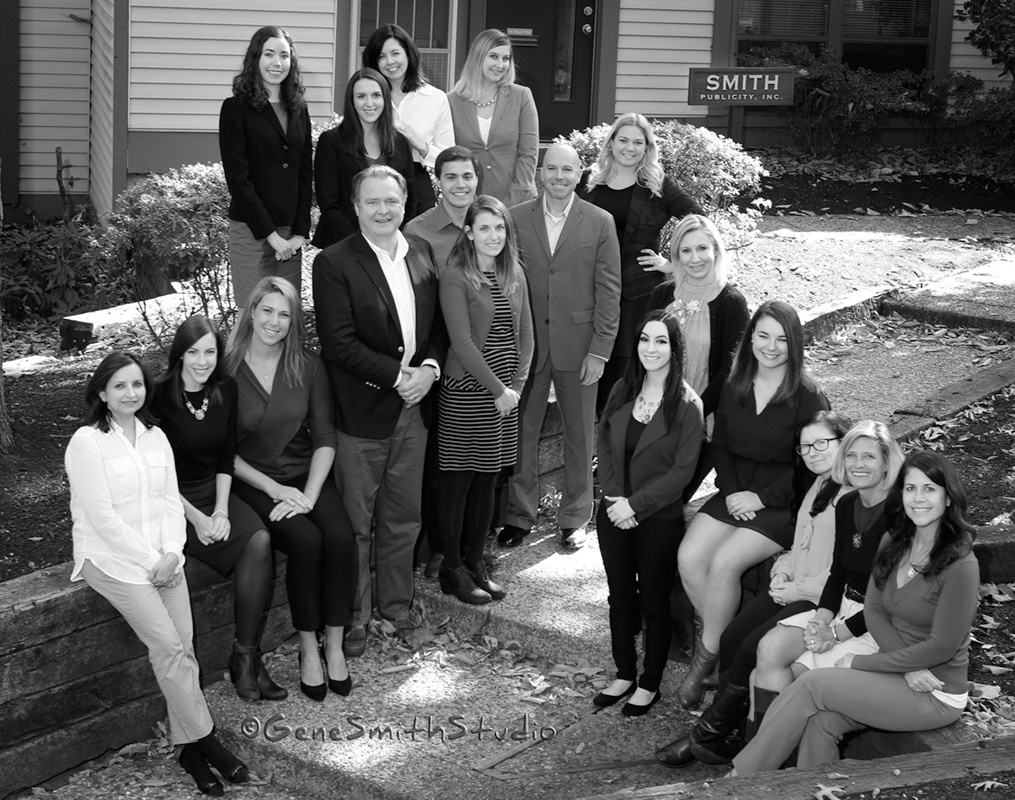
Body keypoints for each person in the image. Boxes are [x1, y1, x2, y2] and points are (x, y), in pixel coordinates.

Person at [65, 352, 250, 796]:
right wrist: (153, 562)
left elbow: (171, 500)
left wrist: (171, 551)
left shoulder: (155, 437)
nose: (131, 393)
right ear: (102, 394)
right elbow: (103, 518)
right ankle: (207, 741)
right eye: (120, 386)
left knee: (184, 644)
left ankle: (187, 749)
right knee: (168, 645)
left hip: (164, 558)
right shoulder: (87, 442)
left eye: (137, 385)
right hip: (110, 562)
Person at [732, 451, 979, 775]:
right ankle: (810, 790)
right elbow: (874, 610)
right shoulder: (895, 540)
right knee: (819, 721)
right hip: (898, 670)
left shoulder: (961, 565)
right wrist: (902, 667)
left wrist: (863, 663)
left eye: (929, 489)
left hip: (935, 690)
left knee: (811, 685)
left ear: (948, 499)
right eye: (910, 488)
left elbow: (942, 648)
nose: (918, 498)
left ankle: (740, 782)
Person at [655, 410, 852, 767]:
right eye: (805, 446)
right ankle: (724, 732)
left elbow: (845, 568)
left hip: (822, 598)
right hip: (794, 586)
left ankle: (713, 736)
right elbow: (801, 543)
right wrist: (781, 570)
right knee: (732, 637)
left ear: (845, 442)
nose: (812, 452)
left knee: (751, 647)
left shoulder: (852, 496)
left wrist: (795, 589)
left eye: (822, 443)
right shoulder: (819, 485)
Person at [312, 165, 447, 658]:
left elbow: (438, 327)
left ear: (405, 202)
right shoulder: (333, 262)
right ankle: (354, 617)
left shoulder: (423, 253)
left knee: (404, 520)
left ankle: (397, 608)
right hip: (363, 413)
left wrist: (429, 368)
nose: (384, 210)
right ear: (356, 206)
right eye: (373, 202)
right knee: (356, 524)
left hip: (414, 410)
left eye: (392, 200)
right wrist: (399, 376)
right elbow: (339, 344)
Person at [675, 301, 830, 709]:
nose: (771, 346)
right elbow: (720, 444)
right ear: (751, 338)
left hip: (785, 500)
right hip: (736, 490)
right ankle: (722, 639)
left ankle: (707, 660)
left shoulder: (808, 395)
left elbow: (812, 465)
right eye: (763, 335)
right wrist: (731, 493)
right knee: (690, 558)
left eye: (782, 339)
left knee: (725, 562)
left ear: (794, 344)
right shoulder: (735, 382)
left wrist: (761, 498)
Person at [226, 277, 357, 701]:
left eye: (284, 314)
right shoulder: (225, 367)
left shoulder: (307, 364)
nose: (274, 321)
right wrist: (275, 490)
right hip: (253, 481)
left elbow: (325, 438)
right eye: (267, 310)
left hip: (306, 475)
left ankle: (334, 645)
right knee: (305, 540)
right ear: (251, 312)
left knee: (338, 536)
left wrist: (311, 495)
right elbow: (221, 451)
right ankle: (307, 648)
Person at [151, 316, 285, 702]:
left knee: (259, 539)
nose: (202, 361)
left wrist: (223, 511)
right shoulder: (158, 398)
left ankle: (245, 656)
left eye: (210, 352)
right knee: (250, 542)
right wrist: (196, 518)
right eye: (193, 352)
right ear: (179, 354)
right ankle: (248, 661)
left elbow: (227, 456)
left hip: (216, 493)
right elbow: (155, 475)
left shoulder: (225, 389)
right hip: (175, 502)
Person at [497, 143, 621, 551]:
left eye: (568, 170)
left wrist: (600, 350)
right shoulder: (514, 219)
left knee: (581, 434)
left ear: (579, 173)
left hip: (581, 345)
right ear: (540, 173)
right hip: (527, 348)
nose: (559, 177)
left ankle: (574, 518)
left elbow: (609, 290)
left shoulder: (600, 221)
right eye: (552, 169)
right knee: (521, 433)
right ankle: (518, 516)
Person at [748, 419, 904, 736]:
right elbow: (838, 573)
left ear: (887, 462)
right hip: (842, 608)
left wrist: (838, 633)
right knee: (768, 651)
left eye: (869, 457)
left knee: (783, 679)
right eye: (851, 456)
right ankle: (761, 757)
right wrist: (822, 618)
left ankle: (768, 761)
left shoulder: (899, 515)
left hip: (877, 624)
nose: (858, 465)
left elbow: (890, 600)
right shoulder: (847, 504)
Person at [594, 311, 704, 716]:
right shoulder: (623, 389)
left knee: (654, 603)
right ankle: (624, 672)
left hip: (656, 518)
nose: (650, 349)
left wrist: (634, 506)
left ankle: (651, 681)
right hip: (614, 511)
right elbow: (604, 443)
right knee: (620, 596)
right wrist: (614, 498)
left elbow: (681, 473)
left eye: (660, 342)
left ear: (674, 350)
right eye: (644, 340)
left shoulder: (687, 406)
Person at [436, 195, 534, 604]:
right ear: (469, 233)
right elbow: (460, 342)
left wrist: (516, 388)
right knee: (459, 483)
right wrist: (498, 390)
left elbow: (527, 335)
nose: (493, 236)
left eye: (500, 228)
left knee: (487, 484)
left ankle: (476, 561)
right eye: (485, 228)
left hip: (503, 398)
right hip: (467, 395)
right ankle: (451, 568)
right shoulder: (456, 275)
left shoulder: (515, 273)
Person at [579, 113, 703, 410]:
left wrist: (673, 265)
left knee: (629, 370)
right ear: (610, 143)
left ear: (648, 147)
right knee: (592, 367)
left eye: (638, 142)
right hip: (591, 287)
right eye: (623, 140)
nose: (630, 148)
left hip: (638, 292)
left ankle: (630, 436)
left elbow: (699, 222)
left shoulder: (658, 185)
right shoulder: (588, 180)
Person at [404, 145, 481, 578]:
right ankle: (436, 546)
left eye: (467, 176)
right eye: (451, 177)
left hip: (484, 361)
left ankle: (473, 544)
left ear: (477, 179)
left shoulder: (490, 221)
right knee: (439, 461)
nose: (460, 185)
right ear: (438, 181)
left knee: (481, 461)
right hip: (438, 358)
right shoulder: (417, 232)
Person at [219, 26, 312, 308]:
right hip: (252, 231)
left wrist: (299, 233)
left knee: (286, 312)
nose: (277, 62)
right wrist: (270, 235)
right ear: (255, 58)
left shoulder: (299, 109)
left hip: (289, 237)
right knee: (253, 314)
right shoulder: (236, 108)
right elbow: (238, 179)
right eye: (269, 54)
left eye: (284, 55)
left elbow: (304, 173)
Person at [646, 215, 749, 425]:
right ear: (676, 256)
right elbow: (643, 352)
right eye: (686, 251)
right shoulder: (661, 295)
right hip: (656, 413)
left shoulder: (732, 303)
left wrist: (693, 415)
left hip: (705, 419)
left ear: (716, 250)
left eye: (702, 248)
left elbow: (730, 371)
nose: (695, 259)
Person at [312, 68, 418, 250]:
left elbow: (409, 199)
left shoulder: (400, 143)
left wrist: (391, 236)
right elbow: (329, 202)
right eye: (361, 96)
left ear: (385, 99)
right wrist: (361, 244)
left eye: (376, 95)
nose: (369, 103)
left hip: (390, 245)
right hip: (342, 245)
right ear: (352, 101)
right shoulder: (331, 141)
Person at [363, 23, 455, 213]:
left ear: (408, 54)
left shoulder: (435, 98)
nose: (390, 61)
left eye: (395, 53)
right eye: (381, 56)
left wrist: (420, 144)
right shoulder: (366, 96)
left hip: (417, 187)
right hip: (371, 183)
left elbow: (449, 159)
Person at [447, 28, 538, 207]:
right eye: (494, 56)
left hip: (519, 203)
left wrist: (509, 204)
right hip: (468, 205)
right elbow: (449, 157)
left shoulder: (521, 96)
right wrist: (471, 205)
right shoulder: (451, 101)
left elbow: (528, 155)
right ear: (478, 58)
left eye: (506, 58)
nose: (501, 64)